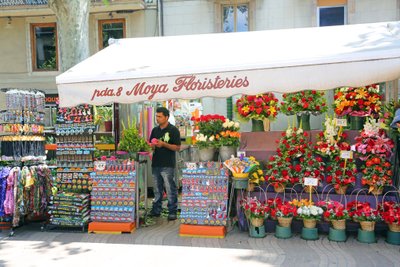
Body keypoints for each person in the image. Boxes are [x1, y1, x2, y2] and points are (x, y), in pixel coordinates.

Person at [149, 107, 181, 220]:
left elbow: (177, 147)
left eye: (159, 116)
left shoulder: (173, 130)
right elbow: (151, 145)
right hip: (156, 163)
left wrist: (163, 144)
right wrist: (151, 146)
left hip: (168, 164)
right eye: (156, 116)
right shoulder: (155, 130)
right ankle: (156, 209)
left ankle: (172, 211)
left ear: (166, 117)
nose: (157, 118)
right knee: (157, 189)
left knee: (170, 188)